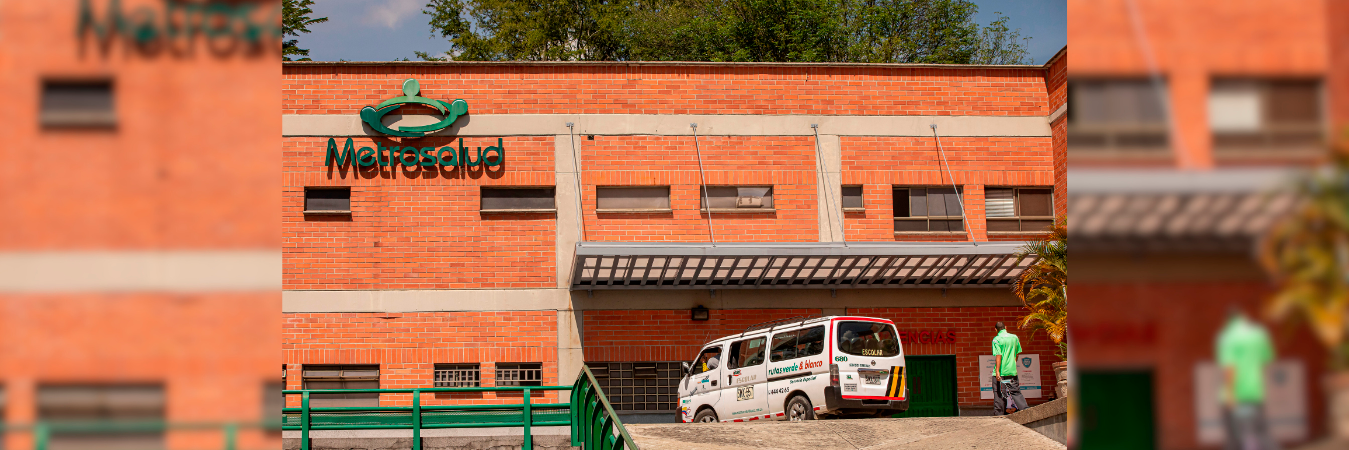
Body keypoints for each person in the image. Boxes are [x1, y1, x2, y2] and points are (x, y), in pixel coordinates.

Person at [1216, 306, 1277, 450]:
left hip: (1235, 397)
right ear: (1245, 316)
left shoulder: (1227, 337)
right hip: (1256, 394)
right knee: (1262, 435)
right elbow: (1267, 360)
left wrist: (1231, 394)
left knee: (1236, 440)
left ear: (1227, 320)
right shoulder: (1260, 334)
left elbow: (1230, 367)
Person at [990, 322, 1028, 415]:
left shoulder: (996, 339)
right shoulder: (1014, 337)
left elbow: (998, 355)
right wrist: (1013, 363)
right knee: (1016, 392)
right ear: (1005, 327)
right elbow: (1017, 352)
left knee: (999, 393)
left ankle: (999, 415)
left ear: (996, 329)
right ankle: (1026, 411)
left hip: (1001, 373)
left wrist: (998, 371)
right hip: (1012, 371)